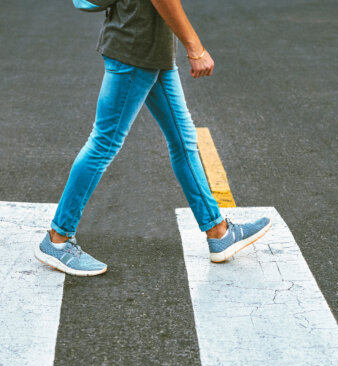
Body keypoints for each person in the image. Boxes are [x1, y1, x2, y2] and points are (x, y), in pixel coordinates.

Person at [35, 0, 271, 277]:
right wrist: (194, 46)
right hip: (135, 50)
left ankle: (218, 231)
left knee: (184, 141)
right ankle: (58, 238)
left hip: (154, 50)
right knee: (103, 144)